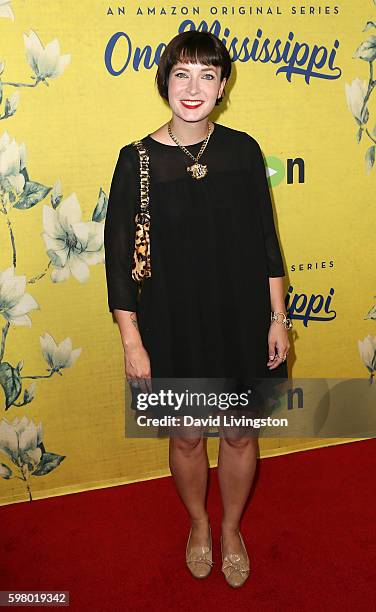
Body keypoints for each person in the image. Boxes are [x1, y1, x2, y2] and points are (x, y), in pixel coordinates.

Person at [104, 30, 291, 588]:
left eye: (207, 75)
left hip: (241, 320)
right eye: (182, 74)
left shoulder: (244, 150)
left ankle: (232, 527)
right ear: (165, 81)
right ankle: (199, 524)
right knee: (186, 435)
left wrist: (277, 317)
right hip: (174, 324)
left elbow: (266, 242)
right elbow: (118, 263)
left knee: (238, 434)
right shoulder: (135, 160)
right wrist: (133, 343)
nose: (193, 87)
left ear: (222, 85)